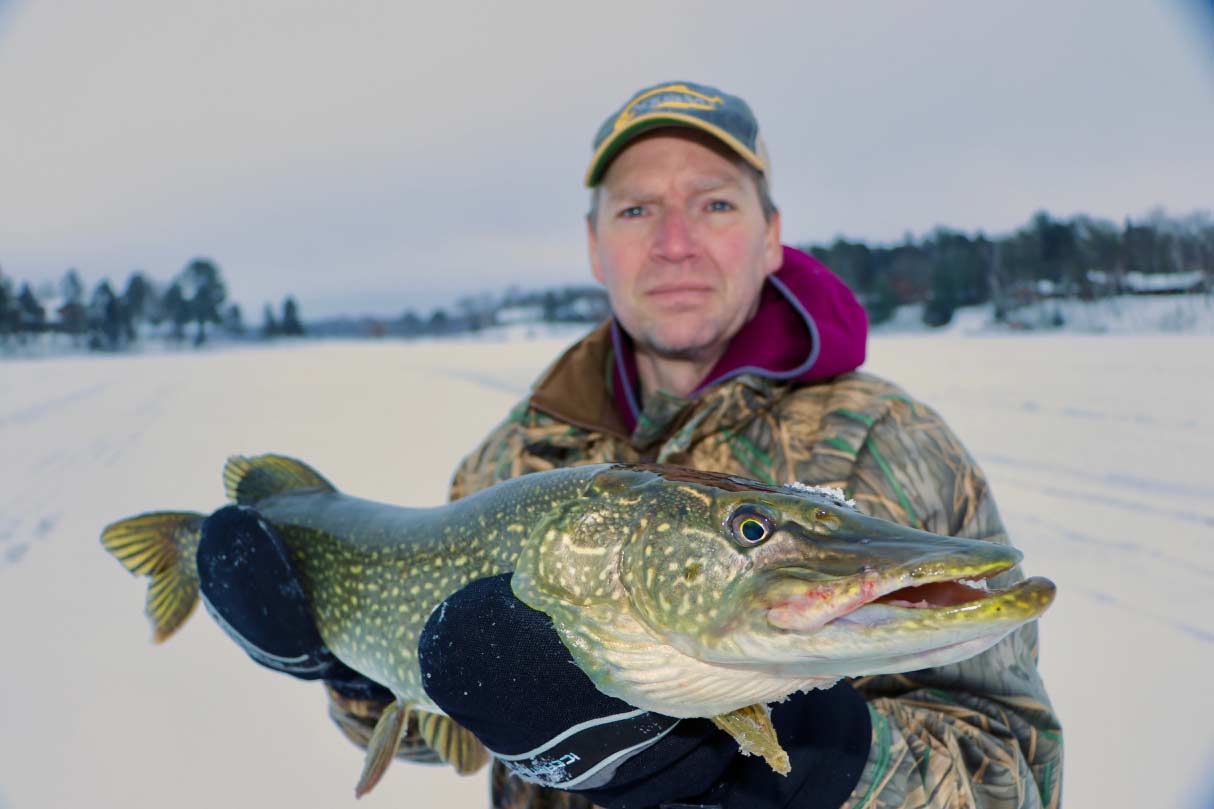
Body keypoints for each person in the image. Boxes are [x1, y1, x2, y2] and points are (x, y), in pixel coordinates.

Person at [197, 81, 1062, 808]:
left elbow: (1013, 774)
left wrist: (811, 757)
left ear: (770, 236)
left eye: (715, 203)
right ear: (595, 246)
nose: (674, 241)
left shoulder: (892, 445)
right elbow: (455, 735)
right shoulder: (509, 463)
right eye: (638, 208)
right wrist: (349, 671)